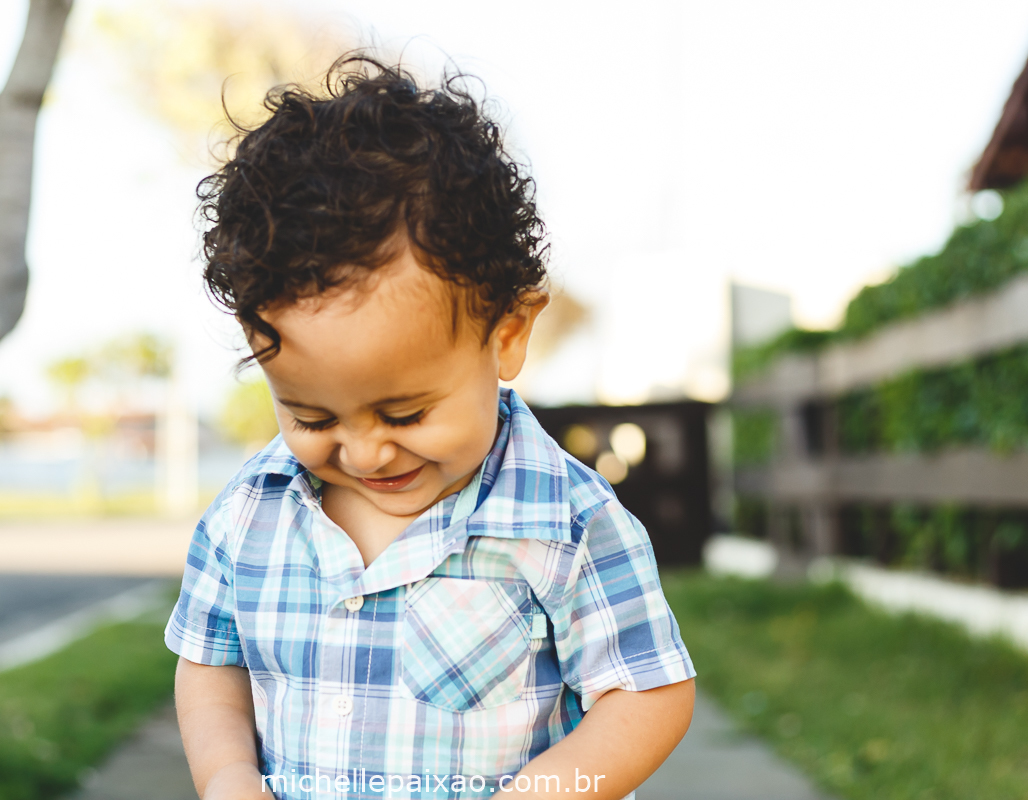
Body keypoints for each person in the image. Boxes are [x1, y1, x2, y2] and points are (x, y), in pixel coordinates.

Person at [165, 56, 696, 800]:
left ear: (507, 333)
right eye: (311, 415)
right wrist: (226, 776)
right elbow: (210, 663)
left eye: (405, 413)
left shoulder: (566, 525)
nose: (364, 449)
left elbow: (646, 692)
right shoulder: (247, 516)